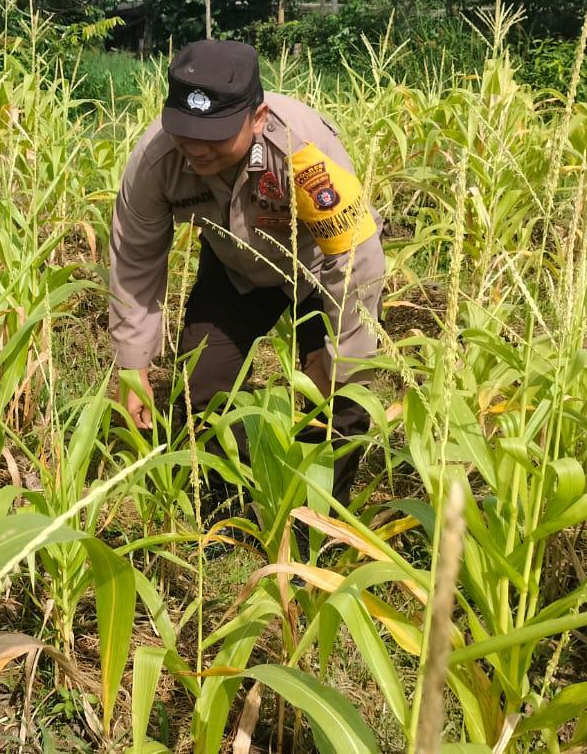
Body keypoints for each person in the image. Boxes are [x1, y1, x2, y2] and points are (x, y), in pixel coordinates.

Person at [108, 39, 386, 511]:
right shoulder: (156, 161)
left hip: (314, 267)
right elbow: (136, 258)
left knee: (341, 403)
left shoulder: (304, 151)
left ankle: (321, 525)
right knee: (202, 385)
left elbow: (355, 259)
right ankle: (226, 509)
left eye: (213, 134)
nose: (194, 147)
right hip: (234, 266)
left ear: (257, 119)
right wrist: (133, 364)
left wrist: (342, 364)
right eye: (183, 129)